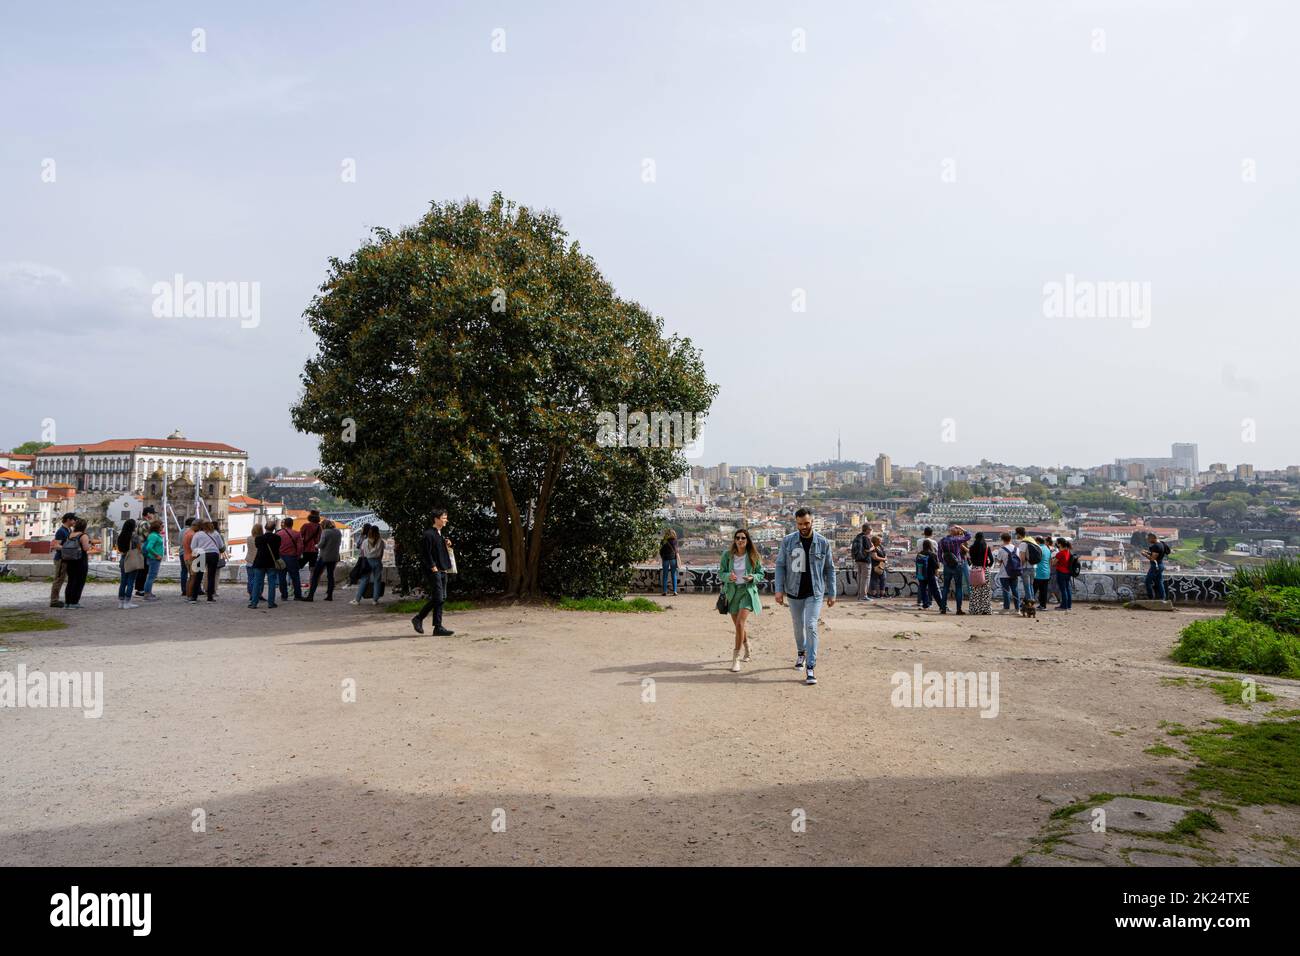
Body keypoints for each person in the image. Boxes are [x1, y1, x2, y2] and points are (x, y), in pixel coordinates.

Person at [774, 508, 836, 686]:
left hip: (815, 592)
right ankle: (801, 651)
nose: (803, 527)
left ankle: (810, 666)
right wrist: (778, 590)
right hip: (794, 591)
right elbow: (780, 566)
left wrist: (832, 593)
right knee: (798, 626)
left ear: (812, 522)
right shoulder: (788, 541)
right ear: (796, 523)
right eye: (800, 524)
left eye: (806, 523)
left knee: (811, 625)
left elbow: (830, 568)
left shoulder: (823, 543)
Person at [721, 529, 763, 672]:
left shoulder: (753, 555)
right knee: (739, 627)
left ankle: (736, 658)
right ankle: (747, 647)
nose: (740, 540)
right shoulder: (727, 556)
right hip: (732, 593)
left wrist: (753, 577)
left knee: (740, 623)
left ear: (747, 540)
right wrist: (728, 577)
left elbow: (761, 574)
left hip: (747, 592)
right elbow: (721, 573)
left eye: (743, 538)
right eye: (737, 538)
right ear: (734, 540)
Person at [411, 510, 454, 635]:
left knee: (441, 598)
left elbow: (439, 552)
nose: (446, 520)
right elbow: (425, 553)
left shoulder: (440, 534)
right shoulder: (428, 534)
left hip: (443, 569)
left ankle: (437, 627)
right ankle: (420, 619)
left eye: (446, 517)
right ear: (436, 519)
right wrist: (433, 567)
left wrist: (448, 544)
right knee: (439, 598)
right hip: (434, 570)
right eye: (444, 517)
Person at [188, 520, 225, 603]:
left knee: (199, 576)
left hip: (201, 554)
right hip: (213, 555)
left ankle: (194, 597)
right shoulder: (215, 534)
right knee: (211, 576)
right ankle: (210, 597)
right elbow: (221, 546)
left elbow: (193, 546)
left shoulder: (197, 534)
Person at [247, 523, 282, 609]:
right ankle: (271, 603)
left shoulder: (259, 538)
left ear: (265, 528)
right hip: (271, 563)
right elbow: (278, 548)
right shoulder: (277, 538)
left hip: (260, 562)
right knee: (272, 583)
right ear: (274, 528)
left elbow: (257, 546)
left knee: (257, 583)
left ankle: (254, 603)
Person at [938, 525, 971, 615]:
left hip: (947, 566)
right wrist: (962, 528)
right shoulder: (957, 540)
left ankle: (943, 609)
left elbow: (939, 555)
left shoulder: (942, 541)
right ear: (956, 532)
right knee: (959, 587)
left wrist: (945, 562)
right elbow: (969, 536)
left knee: (945, 587)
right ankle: (958, 609)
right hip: (957, 565)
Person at [61, 518, 92, 609]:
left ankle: (67, 602)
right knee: (79, 582)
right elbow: (85, 548)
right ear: (84, 527)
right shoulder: (83, 536)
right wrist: (90, 544)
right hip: (80, 560)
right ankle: (74, 602)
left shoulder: (70, 535)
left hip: (70, 560)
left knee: (71, 581)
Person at [307, 519, 341, 601]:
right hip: (334, 557)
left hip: (324, 557)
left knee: (315, 575)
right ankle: (329, 595)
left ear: (323, 525)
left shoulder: (325, 532)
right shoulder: (338, 532)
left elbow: (321, 544)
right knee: (330, 576)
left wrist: (316, 545)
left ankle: (310, 596)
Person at [49, 512, 77, 608]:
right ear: (68, 520)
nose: (74, 521)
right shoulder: (61, 531)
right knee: (58, 579)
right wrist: (68, 549)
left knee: (61, 579)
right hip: (61, 559)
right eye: (73, 519)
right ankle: (54, 600)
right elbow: (56, 545)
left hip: (66, 558)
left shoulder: (68, 530)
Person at [353, 526, 385, 605]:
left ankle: (357, 599)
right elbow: (381, 553)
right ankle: (375, 600)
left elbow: (363, 553)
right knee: (377, 581)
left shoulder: (365, 542)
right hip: (377, 561)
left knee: (364, 580)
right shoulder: (381, 541)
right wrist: (379, 561)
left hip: (367, 561)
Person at [116, 519, 144, 610]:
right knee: (131, 581)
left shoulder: (120, 535)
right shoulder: (134, 536)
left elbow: (119, 549)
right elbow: (140, 548)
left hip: (123, 558)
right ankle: (127, 602)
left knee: (123, 581)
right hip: (132, 559)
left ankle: (121, 602)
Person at [276, 517, 305, 601]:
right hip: (292, 557)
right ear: (292, 524)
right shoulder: (296, 534)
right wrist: (298, 556)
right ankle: (297, 595)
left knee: (281, 577)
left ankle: (284, 595)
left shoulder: (279, 534)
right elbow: (300, 547)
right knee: (295, 577)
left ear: (284, 524)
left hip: (281, 557)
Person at [915, 539, 947, 613]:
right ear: (930, 545)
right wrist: (936, 574)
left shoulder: (919, 554)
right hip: (931, 575)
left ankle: (925, 605)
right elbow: (936, 566)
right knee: (935, 591)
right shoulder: (932, 554)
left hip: (922, 575)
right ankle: (942, 606)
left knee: (923, 590)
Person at [967, 532, 993, 615]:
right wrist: (987, 565)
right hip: (984, 570)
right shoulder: (987, 547)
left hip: (974, 569)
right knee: (985, 591)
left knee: (975, 591)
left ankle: (975, 610)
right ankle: (986, 610)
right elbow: (992, 560)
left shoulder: (971, 548)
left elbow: (970, 560)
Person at [135, 506, 158, 597]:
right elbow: (149, 537)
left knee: (141, 569)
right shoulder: (145, 524)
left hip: (139, 548)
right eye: (153, 514)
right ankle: (141, 589)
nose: (153, 516)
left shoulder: (138, 522)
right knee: (144, 570)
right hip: (144, 549)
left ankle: (139, 588)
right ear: (148, 514)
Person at [140, 519, 166, 601]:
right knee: (151, 576)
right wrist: (157, 555)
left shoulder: (154, 535)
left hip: (153, 558)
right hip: (154, 559)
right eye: (162, 526)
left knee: (151, 576)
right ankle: (147, 594)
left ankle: (148, 592)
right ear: (158, 527)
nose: (163, 527)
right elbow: (149, 547)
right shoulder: (154, 536)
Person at [996, 532, 1022, 613]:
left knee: (1006, 591)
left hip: (1004, 573)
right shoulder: (1016, 549)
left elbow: (999, 562)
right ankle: (1017, 608)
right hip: (1014, 572)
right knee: (1015, 590)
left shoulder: (1001, 550)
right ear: (1010, 539)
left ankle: (1006, 608)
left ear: (1002, 540)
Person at [1014, 528, 1039, 607]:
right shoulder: (1032, 540)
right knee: (1031, 586)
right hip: (1033, 567)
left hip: (1026, 568)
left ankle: (1030, 606)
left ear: (1018, 534)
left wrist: (1019, 567)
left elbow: (1022, 558)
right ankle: (1031, 603)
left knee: (1027, 588)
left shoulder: (1023, 544)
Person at [916, 527, 940, 606]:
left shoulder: (918, 541)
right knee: (933, 588)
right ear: (931, 533)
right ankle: (939, 604)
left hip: (921, 568)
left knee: (922, 587)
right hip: (930, 569)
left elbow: (918, 551)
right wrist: (937, 572)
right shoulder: (934, 543)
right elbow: (936, 554)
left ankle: (922, 602)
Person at [1142, 533, 1169, 600]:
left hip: (1155, 567)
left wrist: (1144, 554)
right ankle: (1162, 598)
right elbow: (1156, 554)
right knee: (1159, 582)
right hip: (1160, 565)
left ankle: (1151, 598)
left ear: (1153, 538)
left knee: (1148, 582)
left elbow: (1152, 558)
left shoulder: (1156, 546)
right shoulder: (1162, 543)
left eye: (1148, 539)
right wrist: (1148, 552)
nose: (1148, 540)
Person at [851, 524, 873, 602]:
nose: (871, 531)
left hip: (858, 560)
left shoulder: (857, 537)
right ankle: (864, 596)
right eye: (870, 529)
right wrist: (873, 547)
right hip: (865, 561)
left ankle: (859, 595)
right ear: (866, 530)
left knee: (860, 578)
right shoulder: (865, 538)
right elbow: (868, 549)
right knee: (865, 578)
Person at [300, 510, 322, 578]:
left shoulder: (306, 526)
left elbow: (300, 537)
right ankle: (311, 585)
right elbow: (320, 539)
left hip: (306, 549)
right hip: (315, 550)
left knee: (298, 566)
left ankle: (292, 585)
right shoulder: (319, 527)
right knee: (312, 569)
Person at [1054, 537, 1074, 611]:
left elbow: (1053, 563)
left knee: (1063, 590)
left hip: (1061, 572)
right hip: (1068, 572)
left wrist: (1053, 559)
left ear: (1059, 544)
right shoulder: (1068, 551)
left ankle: (1064, 606)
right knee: (1067, 589)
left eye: (1057, 542)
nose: (1056, 544)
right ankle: (1068, 605)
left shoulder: (1060, 553)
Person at [1033, 536, 1053, 611]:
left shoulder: (1038, 548)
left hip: (1038, 573)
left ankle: (1027, 604)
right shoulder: (1047, 549)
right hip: (1046, 573)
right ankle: (1043, 605)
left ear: (1037, 541)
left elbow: (1034, 560)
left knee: (1033, 590)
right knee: (1043, 591)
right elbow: (1049, 561)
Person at [178, 517, 196, 596]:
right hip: (189, 553)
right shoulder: (191, 532)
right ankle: (193, 589)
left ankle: (184, 589)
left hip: (181, 553)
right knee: (193, 573)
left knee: (184, 571)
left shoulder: (181, 531)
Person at [659, 530, 680, 596]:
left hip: (665, 559)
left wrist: (662, 557)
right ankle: (675, 591)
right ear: (674, 533)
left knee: (665, 575)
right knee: (673, 575)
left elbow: (661, 551)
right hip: (673, 559)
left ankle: (665, 591)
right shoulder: (675, 541)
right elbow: (676, 550)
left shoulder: (663, 541)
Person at [868, 534, 888, 598]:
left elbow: (884, 553)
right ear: (875, 541)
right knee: (874, 579)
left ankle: (882, 593)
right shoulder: (873, 548)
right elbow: (875, 557)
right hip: (875, 566)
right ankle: (874, 593)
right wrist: (884, 559)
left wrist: (885, 558)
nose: (880, 542)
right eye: (879, 541)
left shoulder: (880, 546)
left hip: (882, 565)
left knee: (883, 579)